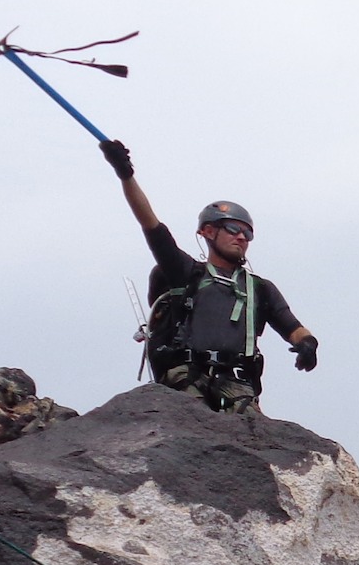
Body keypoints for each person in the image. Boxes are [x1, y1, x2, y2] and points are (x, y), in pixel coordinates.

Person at [98, 139, 318, 412]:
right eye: (233, 229)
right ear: (208, 232)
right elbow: (151, 225)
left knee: (250, 429)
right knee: (190, 419)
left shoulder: (259, 289)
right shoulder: (186, 272)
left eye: (247, 233)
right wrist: (126, 175)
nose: (242, 237)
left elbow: (292, 327)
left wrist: (307, 344)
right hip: (186, 376)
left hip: (237, 382)